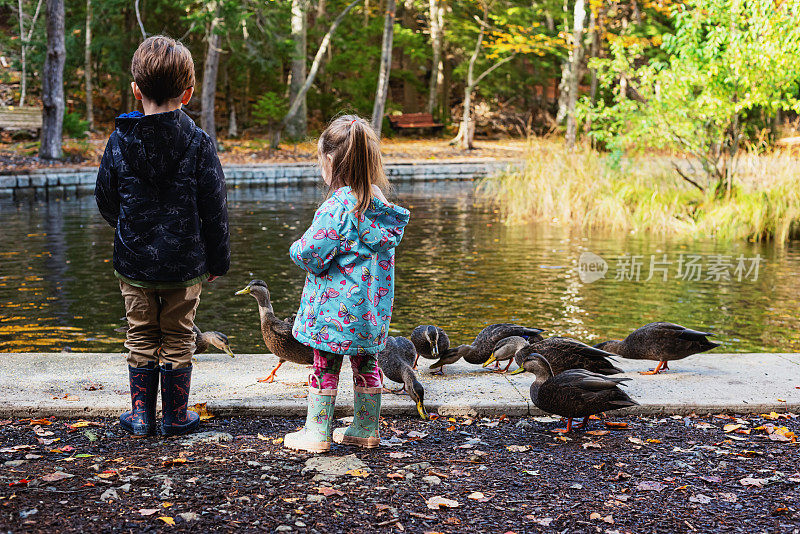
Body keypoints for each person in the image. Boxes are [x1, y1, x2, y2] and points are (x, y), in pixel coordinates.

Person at [94, 35, 230, 437]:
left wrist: (131, 228)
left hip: (134, 262)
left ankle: (140, 418)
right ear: (187, 93)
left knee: (140, 333)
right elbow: (215, 209)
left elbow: (105, 199)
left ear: (136, 90)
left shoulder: (119, 140)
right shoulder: (199, 143)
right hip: (185, 264)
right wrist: (217, 261)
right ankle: (174, 417)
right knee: (178, 334)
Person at [285, 115, 410, 453]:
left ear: (330, 160)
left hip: (334, 314)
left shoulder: (337, 207)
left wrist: (296, 247)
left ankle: (317, 433)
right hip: (370, 314)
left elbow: (312, 254)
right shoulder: (380, 205)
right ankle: (365, 429)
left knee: (323, 367)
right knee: (367, 365)